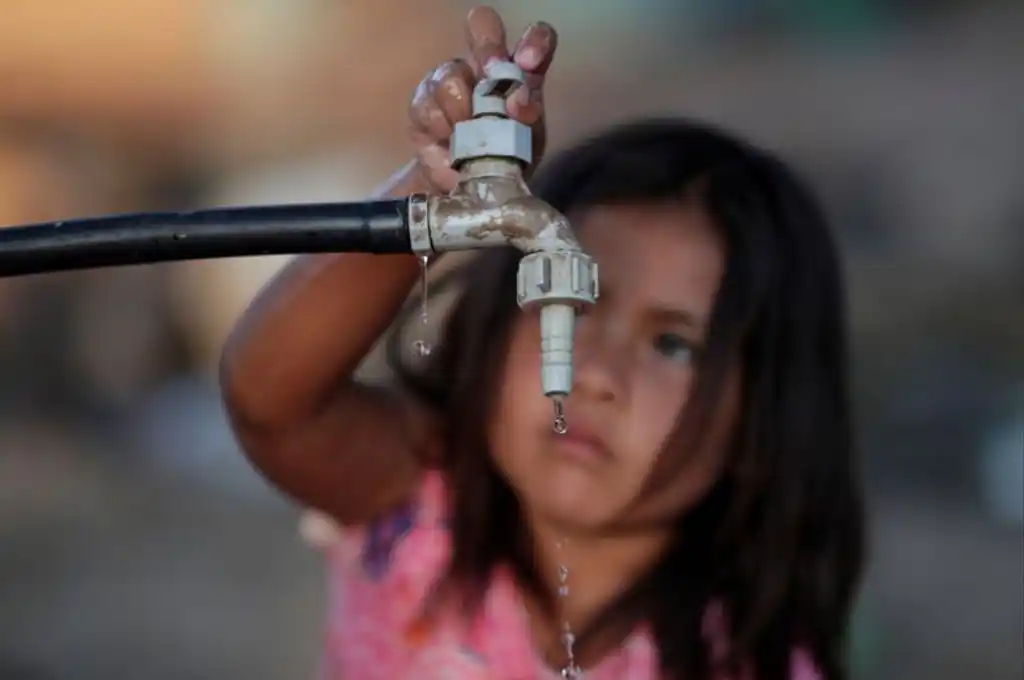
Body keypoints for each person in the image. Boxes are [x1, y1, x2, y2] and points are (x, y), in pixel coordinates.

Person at [219, 7, 866, 679]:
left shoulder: (744, 664)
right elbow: (269, 399)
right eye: (565, 302)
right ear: (493, 319)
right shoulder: (415, 499)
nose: (594, 375)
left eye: (673, 345)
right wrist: (446, 200)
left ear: (762, 426)